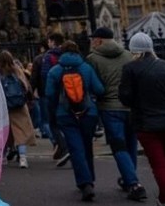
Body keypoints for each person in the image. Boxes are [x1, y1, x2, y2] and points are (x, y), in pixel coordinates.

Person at [119, 33, 165, 206]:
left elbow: (125, 97)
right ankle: (164, 198)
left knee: (158, 166)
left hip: (147, 125)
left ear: (133, 50)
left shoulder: (130, 68)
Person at [85, 27, 146, 201]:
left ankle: (134, 183)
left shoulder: (92, 59)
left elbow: (94, 86)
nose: (92, 42)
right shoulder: (128, 55)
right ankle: (128, 179)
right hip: (130, 107)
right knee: (131, 144)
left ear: (99, 41)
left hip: (110, 107)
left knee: (118, 146)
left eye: (93, 39)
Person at [46, 40, 105, 202]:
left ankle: (85, 183)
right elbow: (99, 89)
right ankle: (90, 179)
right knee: (87, 146)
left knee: (75, 148)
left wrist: (54, 112)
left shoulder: (55, 71)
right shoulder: (86, 68)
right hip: (88, 112)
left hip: (65, 114)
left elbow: (50, 94)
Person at [0, 50, 36, 168]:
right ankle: (23, 158)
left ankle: (2, 157)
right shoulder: (17, 70)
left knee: (4, 133)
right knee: (21, 132)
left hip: (4, 106)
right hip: (19, 105)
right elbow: (26, 86)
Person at [40, 32, 70, 166]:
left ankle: (63, 146)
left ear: (52, 41)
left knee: (53, 123)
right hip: (69, 92)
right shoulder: (67, 55)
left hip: (54, 94)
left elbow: (45, 76)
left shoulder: (48, 56)